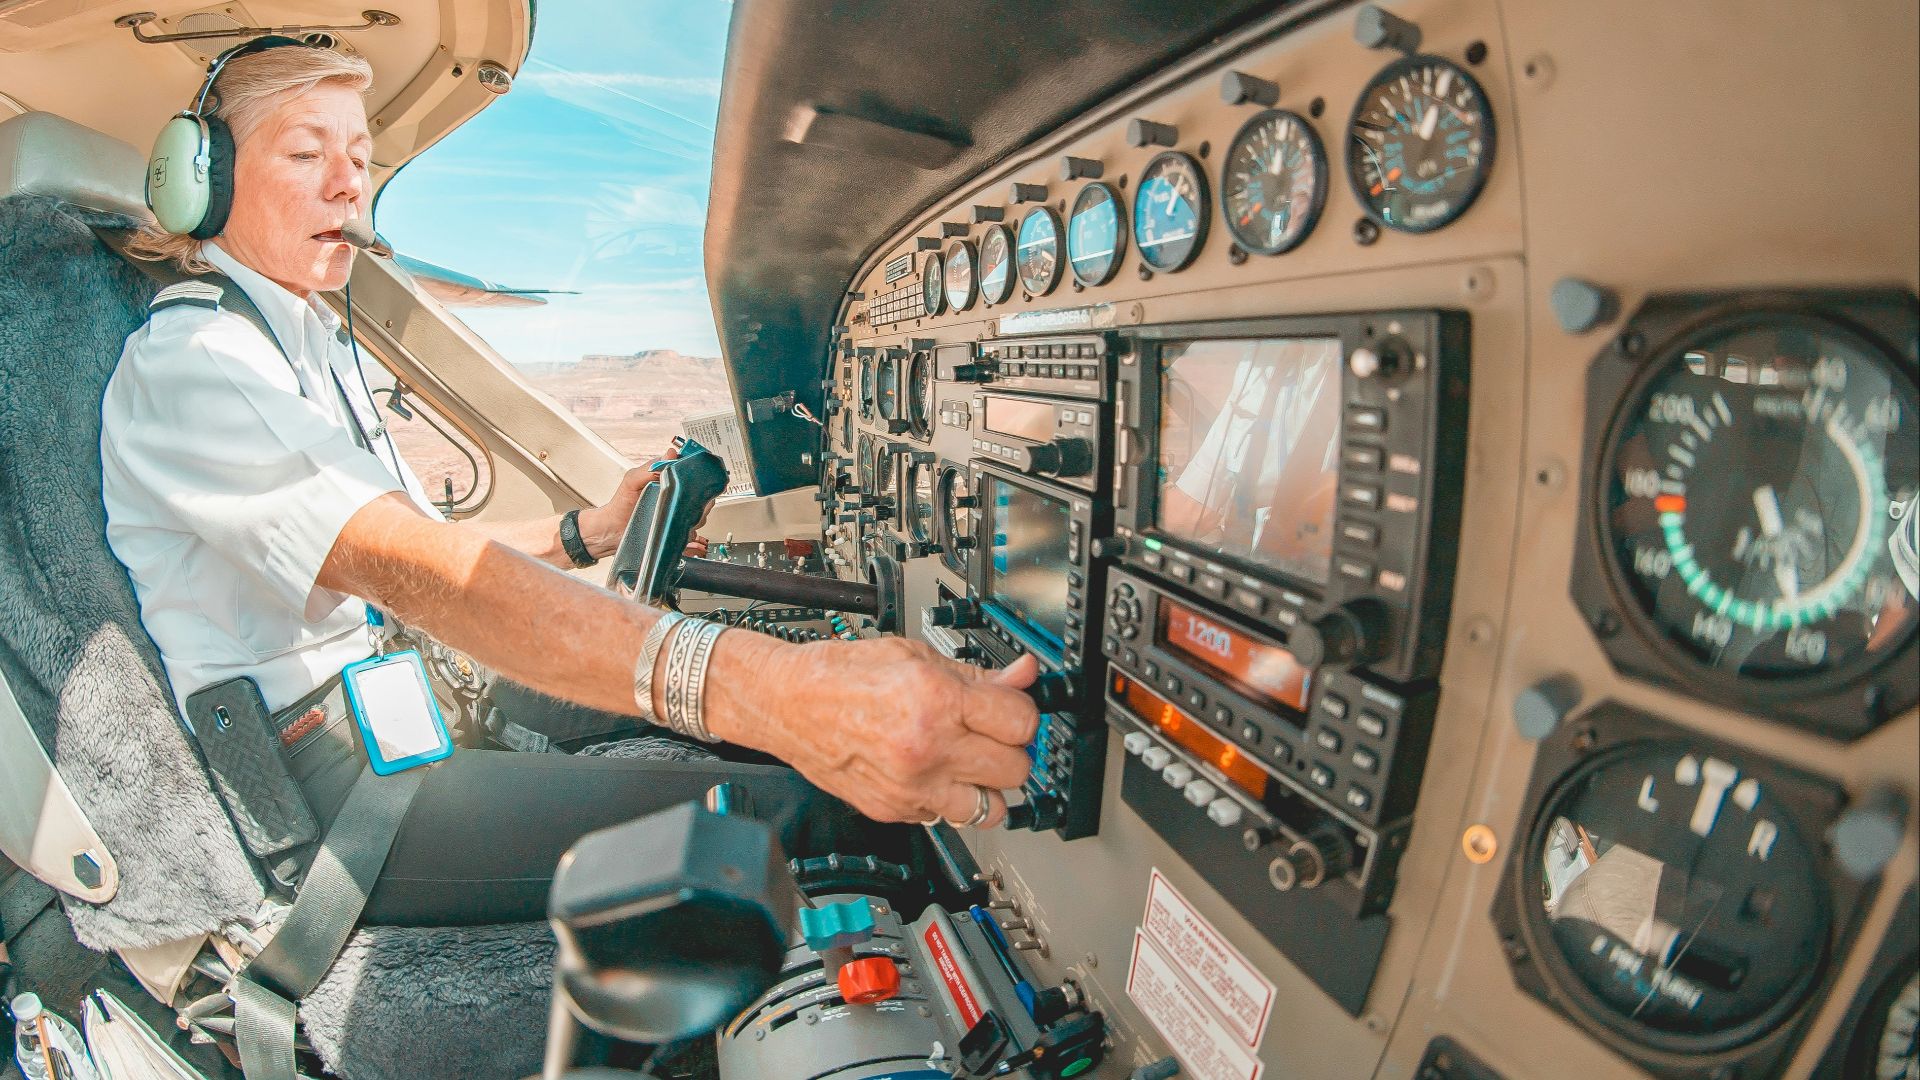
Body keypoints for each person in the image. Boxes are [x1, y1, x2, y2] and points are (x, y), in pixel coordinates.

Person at [100, 40, 1038, 925]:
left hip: (400, 707)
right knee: (803, 814)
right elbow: (413, 571)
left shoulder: (301, 340)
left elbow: (428, 549)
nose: (349, 184)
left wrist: (587, 531)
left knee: (747, 743)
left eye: (358, 155)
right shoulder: (202, 362)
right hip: (332, 789)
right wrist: (782, 693)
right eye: (307, 154)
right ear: (204, 181)